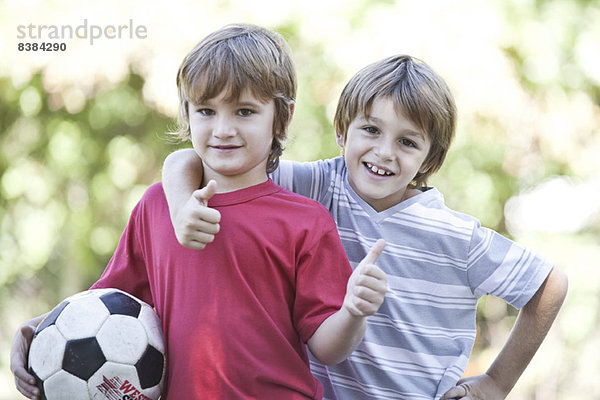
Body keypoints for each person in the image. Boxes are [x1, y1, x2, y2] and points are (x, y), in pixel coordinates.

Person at [10, 24, 389, 400]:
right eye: (206, 111)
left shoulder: (306, 222)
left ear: (283, 118)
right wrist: (40, 333)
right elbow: (104, 310)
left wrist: (354, 312)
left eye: (244, 111)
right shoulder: (157, 206)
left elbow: (329, 348)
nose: (223, 129)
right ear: (186, 113)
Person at [160, 54, 568, 399]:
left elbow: (549, 284)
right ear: (342, 130)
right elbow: (194, 160)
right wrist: (180, 206)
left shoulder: (456, 237)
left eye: (408, 142)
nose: (384, 152)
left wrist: (497, 381)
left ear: (428, 159)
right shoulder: (318, 185)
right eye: (370, 130)